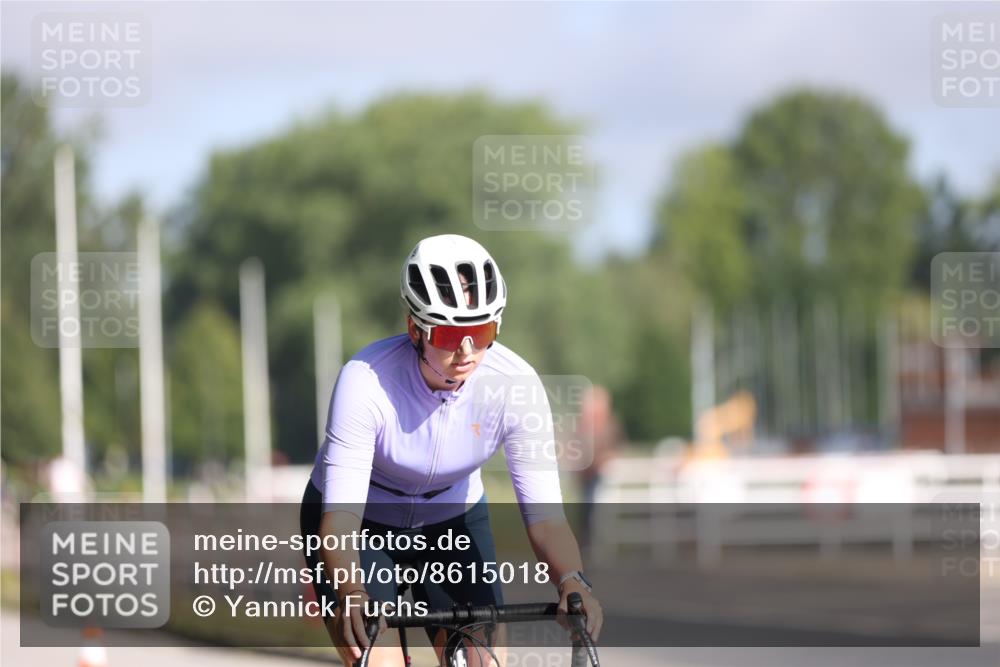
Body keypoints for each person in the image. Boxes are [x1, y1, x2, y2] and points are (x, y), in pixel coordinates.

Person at [299, 234, 602, 667]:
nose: (466, 350)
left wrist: (572, 580)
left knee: (481, 661)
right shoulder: (365, 381)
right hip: (361, 523)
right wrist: (351, 591)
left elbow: (547, 519)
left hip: (452, 520)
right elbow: (342, 518)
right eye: (448, 333)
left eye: (481, 331)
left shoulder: (515, 386)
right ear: (415, 329)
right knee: (377, 659)